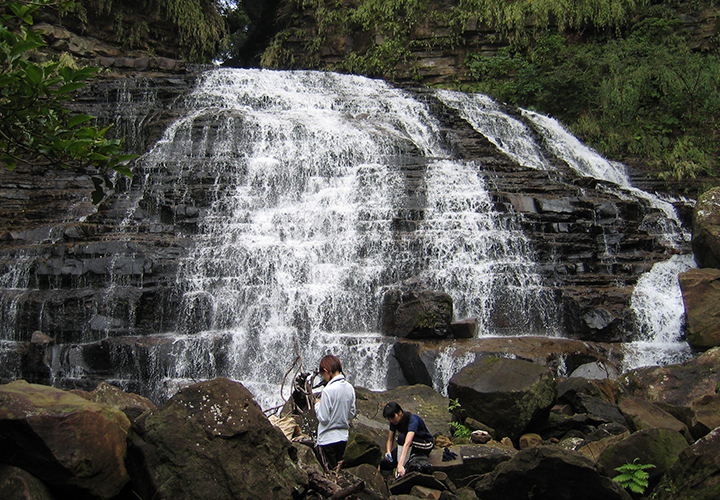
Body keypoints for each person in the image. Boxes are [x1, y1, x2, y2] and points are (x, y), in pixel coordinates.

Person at [313, 354, 356, 472]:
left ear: (326, 370)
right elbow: (351, 413)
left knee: (329, 474)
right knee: (339, 472)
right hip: (343, 438)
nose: (324, 378)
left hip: (327, 440)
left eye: (323, 375)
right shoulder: (349, 388)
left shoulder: (327, 390)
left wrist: (317, 405)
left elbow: (323, 418)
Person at [379, 401, 434, 477]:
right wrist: (388, 452)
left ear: (400, 413)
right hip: (408, 445)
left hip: (425, 444)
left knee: (401, 438)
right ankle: (386, 483)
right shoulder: (393, 422)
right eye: (389, 418)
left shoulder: (413, 420)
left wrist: (400, 464)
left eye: (392, 417)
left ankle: (401, 471)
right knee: (385, 463)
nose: (391, 420)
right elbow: (390, 440)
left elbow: (407, 443)